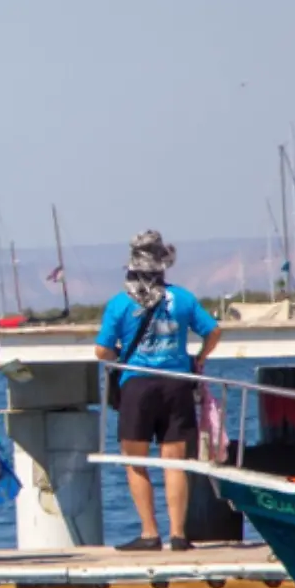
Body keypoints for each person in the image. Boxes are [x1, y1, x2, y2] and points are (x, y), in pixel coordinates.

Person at [94, 230, 222, 552]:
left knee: (135, 461)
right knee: (174, 461)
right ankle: (178, 534)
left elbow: (101, 351)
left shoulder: (120, 303)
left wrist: (122, 357)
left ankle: (150, 533)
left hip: (137, 384)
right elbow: (214, 330)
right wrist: (200, 359)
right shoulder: (183, 298)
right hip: (177, 384)